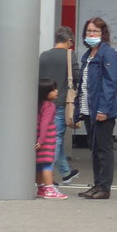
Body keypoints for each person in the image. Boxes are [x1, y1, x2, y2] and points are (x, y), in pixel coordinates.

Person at [76, 16, 117, 199]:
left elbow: (110, 83)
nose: (91, 34)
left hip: (102, 110)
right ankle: (97, 185)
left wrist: (102, 110)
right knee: (95, 149)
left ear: (102, 33)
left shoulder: (108, 53)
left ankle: (104, 187)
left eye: (95, 31)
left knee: (103, 149)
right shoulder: (89, 54)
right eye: (89, 31)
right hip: (89, 109)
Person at [38, 26, 79, 184]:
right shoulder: (70, 55)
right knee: (56, 139)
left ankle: (66, 172)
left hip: (43, 103)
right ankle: (46, 175)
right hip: (60, 103)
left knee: (53, 137)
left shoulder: (44, 56)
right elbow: (76, 76)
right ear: (69, 41)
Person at [35, 79, 68, 200]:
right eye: (53, 90)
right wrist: (42, 140)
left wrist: (38, 139)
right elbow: (45, 123)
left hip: (38, 137)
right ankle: (49, 188)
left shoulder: (37, 104)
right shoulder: (50, 106)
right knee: (47, 164)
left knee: (39, 164)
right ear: (45, 92)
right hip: (46, 139)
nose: (57, 91)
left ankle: (41, 187)